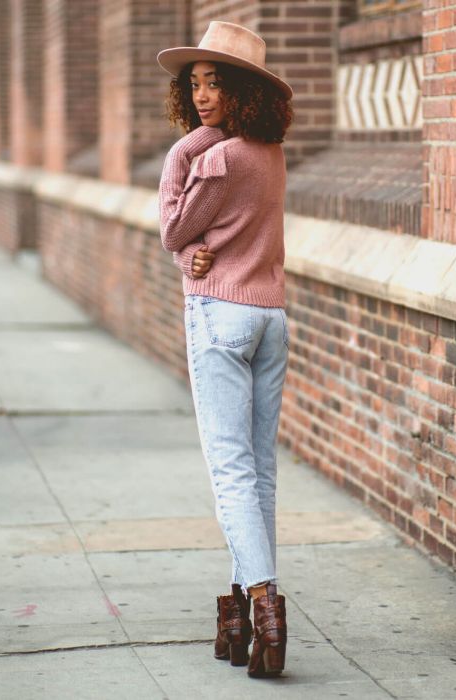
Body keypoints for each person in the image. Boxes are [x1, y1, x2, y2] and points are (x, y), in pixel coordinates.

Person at [156, 21, 294, 678]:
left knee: (231, 473)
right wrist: (193, 250)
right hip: (271, 317)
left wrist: (182, 152)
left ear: (240, 88)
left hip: (222, 316)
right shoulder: (269, 154)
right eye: (195, 83)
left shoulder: (209, 157)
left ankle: (265, 602)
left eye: (215, 82)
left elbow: (173, 228)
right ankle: (239, 617)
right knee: (259, 474)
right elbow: (200, 240)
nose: (203, 94)